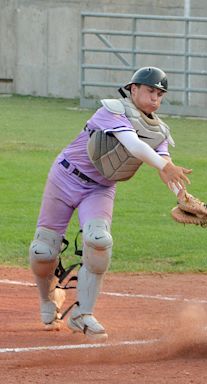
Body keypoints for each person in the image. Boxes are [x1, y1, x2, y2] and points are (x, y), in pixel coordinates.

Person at [29, 67, 192, 340]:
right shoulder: (112, 110)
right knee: (43, 250)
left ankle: (83, 315)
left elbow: (167, 169)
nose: (155, 97)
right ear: (133, 88)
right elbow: (133, 145)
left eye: (160, 94)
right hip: (65, 176)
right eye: (150, 90)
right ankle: (49, 298)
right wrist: (164, 164)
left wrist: (182, 196)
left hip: (100, 188)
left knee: (99, 240)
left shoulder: (158, 131)